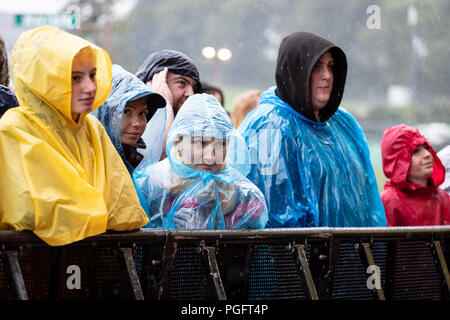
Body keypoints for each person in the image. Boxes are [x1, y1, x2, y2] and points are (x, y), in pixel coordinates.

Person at [0, 26, 149, 246]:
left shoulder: (92, 129)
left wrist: (88, 212)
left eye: (92, 75)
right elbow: (44, 214)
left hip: (88, 269)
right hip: (27, 271)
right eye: (75, 78)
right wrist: (97, 213)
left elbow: (126, 213)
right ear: (46, 80)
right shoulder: (14, 129)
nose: (90, 87)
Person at [237, 31, 386, 228]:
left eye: (331, 66)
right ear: (295, 71)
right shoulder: (267, 126)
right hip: (294, 255)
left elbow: (367, 197)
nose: (327, 76)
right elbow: (269, 214)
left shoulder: (344, 123)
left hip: (353, 254)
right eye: (317, 67)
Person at [134, 93, 268, 230]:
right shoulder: (149, 186)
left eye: (220, 144)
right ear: (177, 143)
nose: (211, 157)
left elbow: (259, 250)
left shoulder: (248, 197)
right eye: (200, 143)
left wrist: (202, 236)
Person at [91, 64, 166, 172]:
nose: (138, 123)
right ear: (104, 112)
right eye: (125, 111)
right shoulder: (86, 160)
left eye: (142, 113)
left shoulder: (132, 159)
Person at [136, 49, 201, 159]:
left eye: (194, 87)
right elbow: (159, 156)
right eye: (181, 83)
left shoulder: (195, 126)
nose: (191, 93)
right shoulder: (128, 119)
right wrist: (164, 103)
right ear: (157, 81)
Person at [381, 125, 450, 226]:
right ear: (398, 162)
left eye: (426, 148)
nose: (427, 154)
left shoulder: (443, 199)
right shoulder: (389, 202)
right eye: (416, 151)